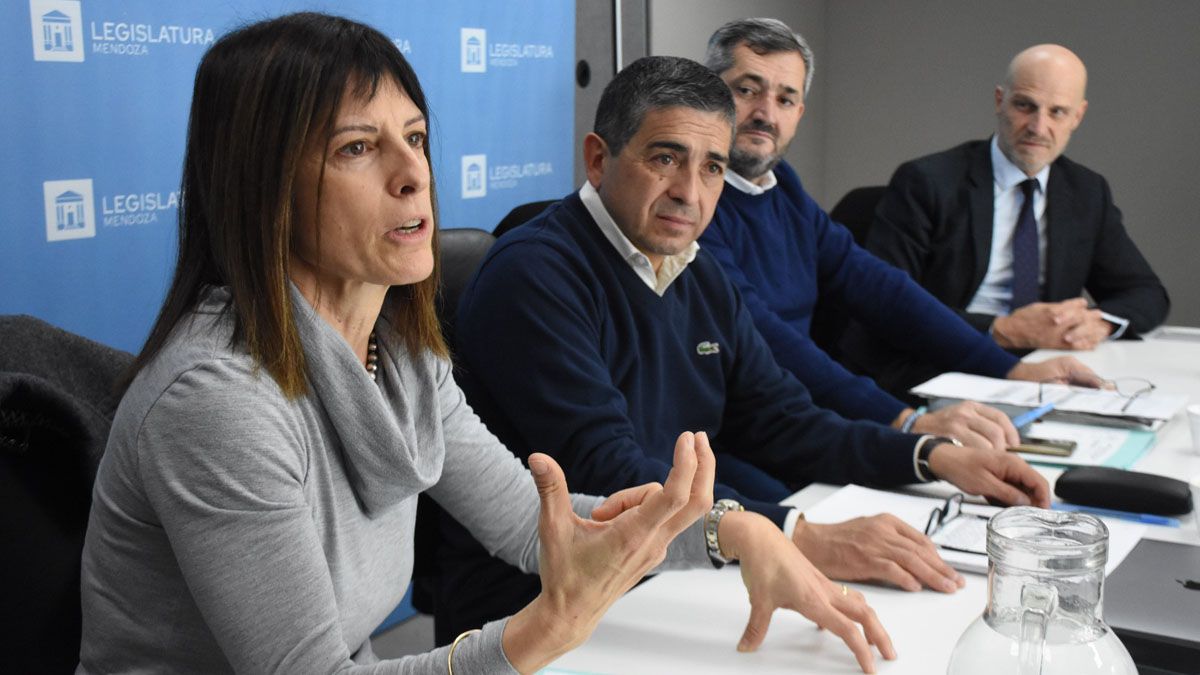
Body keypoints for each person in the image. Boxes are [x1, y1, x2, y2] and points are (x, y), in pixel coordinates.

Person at [76, 14, 895, 674]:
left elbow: (532, 524)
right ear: (262, 185)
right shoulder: (219, 402)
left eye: (417, 139)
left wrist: (731, 530)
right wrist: (541, 632)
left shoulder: (400, 352)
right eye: (358, 148)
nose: (413, 175)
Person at [433, 54, 1051, 648]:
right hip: (535, 609)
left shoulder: (697, 272)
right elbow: (605, 471)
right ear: (598, 159)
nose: (689, 192)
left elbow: (783, 420)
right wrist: (792, 533)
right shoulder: (535, 273)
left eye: (710, 167)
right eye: (665, 158)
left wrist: (930, 456)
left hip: (661, 572)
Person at [694, 18, 1103, 447]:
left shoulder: (782, 186)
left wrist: (1012, 370)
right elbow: (764, 336)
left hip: (796, 411)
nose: (766, 114)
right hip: (737, 428)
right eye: (746, 90)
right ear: (709, 94)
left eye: (785, 98)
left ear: (800, 112)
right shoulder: (695, 204)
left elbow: (881, 288)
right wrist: (904, 421)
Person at [857, 44, 1168, 386]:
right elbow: (885, 305)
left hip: (1041, 370)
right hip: (939, 365)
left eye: (1057, 112)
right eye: (1025, 106)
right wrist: (1002, 330)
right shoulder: (928, 182)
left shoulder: (1086, 191)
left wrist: (1099, 322)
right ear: (999, 101)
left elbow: (1147, 293)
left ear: (1077, 117)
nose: (1038, 126)